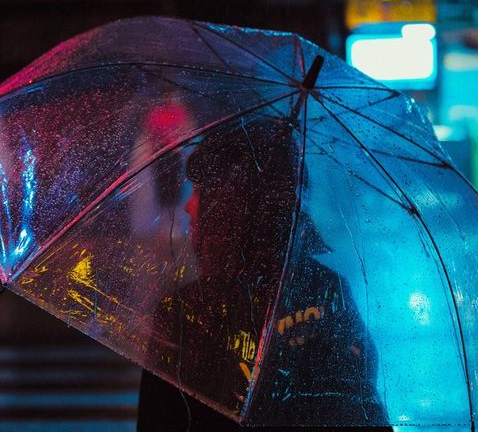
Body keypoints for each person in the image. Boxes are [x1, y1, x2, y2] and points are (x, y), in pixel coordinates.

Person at [136, 115, 390, 431]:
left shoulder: (187, 312)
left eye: (201, 190)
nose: (188, 206)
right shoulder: (329, 293)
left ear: (230, 205)